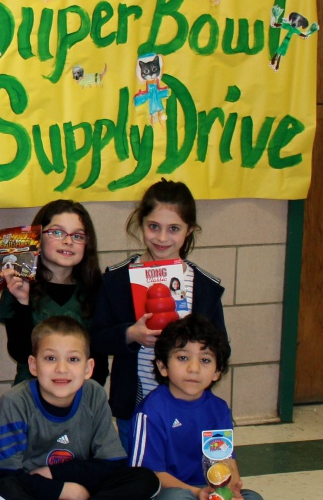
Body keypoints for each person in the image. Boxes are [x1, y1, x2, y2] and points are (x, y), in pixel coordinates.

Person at [131, 315, 315, 500]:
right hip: (166, 495)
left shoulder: (218, 409)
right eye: (183, 358)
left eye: (205, 360)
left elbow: (224, 461)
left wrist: (232, 496)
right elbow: (147, 476)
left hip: (207, 495)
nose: (194, 368)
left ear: (217, 372)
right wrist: (198, 494)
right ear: (163, 366)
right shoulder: (151, 411)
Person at [0, 316, 161, 500]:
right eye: (50, 358)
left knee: (146, 481)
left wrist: (57, 475)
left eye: (73, 359)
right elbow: (6, 477)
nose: (61, 369)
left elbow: (112, 465)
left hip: (79, 492)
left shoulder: (94, 395)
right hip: (33, 494)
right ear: (33, 365)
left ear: (88, 368)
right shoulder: (14, 402)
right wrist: (64, 489)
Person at [91, 179, 228, 454]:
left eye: (174, 229)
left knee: (189, 472)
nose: (162, 238)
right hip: (135, 405)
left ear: (189, 231)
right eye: (154, 226)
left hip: (191, 404)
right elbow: (94, 338)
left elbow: (222, 348)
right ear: (140, 224)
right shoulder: (117, 280)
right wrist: (130, 334)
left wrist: (193, 348)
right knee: (140, 477)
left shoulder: (203, 286)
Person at [0, 199, 107, 386]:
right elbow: (20, 352)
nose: (68, 241)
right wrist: (22, 301)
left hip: (80, 397)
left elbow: (100, 365)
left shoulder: (97, 289)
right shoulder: (18, 285)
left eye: (78, 236)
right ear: (38, 237)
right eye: (57, 232)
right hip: (30, 397)